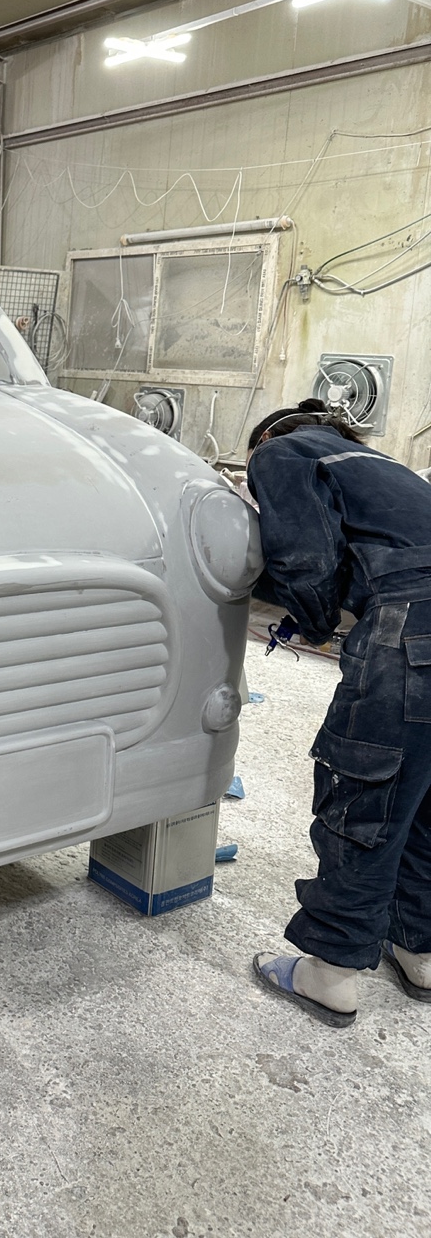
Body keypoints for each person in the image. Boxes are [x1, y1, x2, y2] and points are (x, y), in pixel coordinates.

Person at [246, 397, 431, 1026]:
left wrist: (316, 621)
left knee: (365, 804)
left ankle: (329, 973)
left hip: (411, 630)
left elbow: (305, 557)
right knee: (423, 801)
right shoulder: (385, 468)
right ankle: (419, 948)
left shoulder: (281, 452)